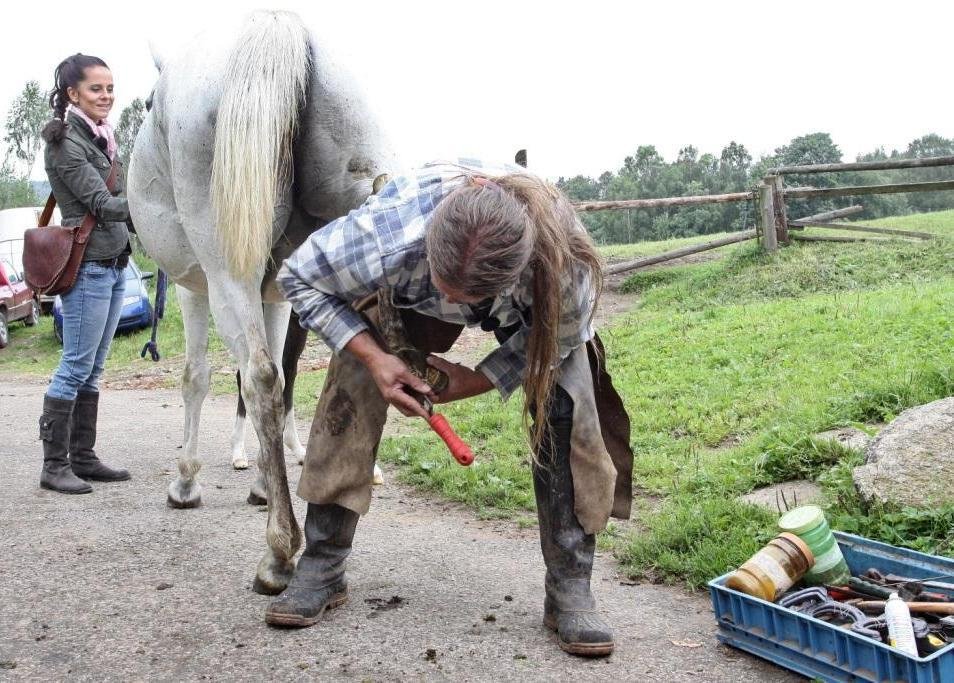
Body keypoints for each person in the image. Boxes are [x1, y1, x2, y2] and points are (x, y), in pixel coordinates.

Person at [267, 160, 634, 657]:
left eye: (466, 297)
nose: (452, 301)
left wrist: (477, 378)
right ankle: (323, 564)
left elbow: (561, 337)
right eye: (445, 286)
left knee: (571, 398)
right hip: (405, 290)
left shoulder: (564, 261)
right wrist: (377, 359)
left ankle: (570, 587)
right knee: (352, 376)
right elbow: (300, 279)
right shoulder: (391, 231)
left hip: (529, 307)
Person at [38, 54, 132, 494]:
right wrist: (159, 211)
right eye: (97, 89)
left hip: (113, 262)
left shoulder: (101, 139)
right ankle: (53, 465)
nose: (107, 97)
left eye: (110, 88)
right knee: (74, 365)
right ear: (73, 94)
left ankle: (84, 458)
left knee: (92, 369)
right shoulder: (65, 143)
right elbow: (104, 204)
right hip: (88, 265)